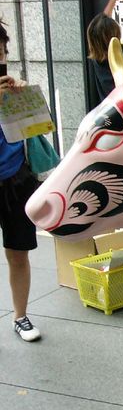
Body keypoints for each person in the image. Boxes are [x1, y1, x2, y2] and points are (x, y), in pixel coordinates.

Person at [0, 19, 41, 342]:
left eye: (1, 53)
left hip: (17, 177)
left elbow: (39, 129)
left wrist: (25, 100)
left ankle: (20, 316)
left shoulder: (10, 89)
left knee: (18, 252)